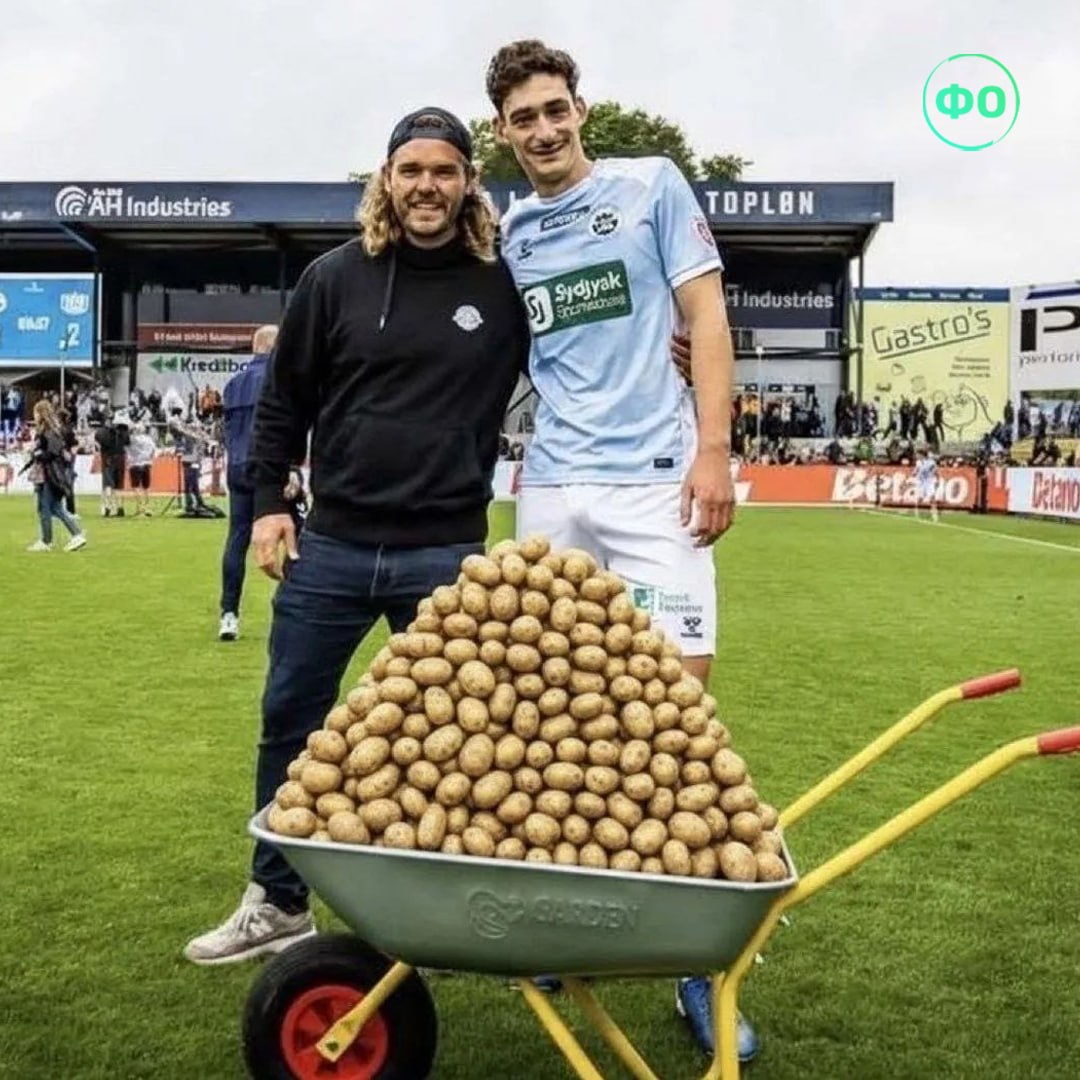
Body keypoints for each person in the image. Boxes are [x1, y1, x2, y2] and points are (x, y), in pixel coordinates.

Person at [182, 106, 529, 965]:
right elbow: (284, 400)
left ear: (468, 184)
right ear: (387, 179)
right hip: (332, 544)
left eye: (444, 171)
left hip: (446, 552)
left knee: (467, 737)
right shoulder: (333, 278)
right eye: (411, 170)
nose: (426, 186)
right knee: (290, 718)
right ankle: (277, 900)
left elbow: (584, 356)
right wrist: (271, 503)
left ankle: (459, 911)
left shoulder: (502, 284)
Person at [484, 39, 749, 1061]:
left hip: (654, 482)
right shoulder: (510, 232)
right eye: (523, 118)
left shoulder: (650, 186)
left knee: (677, 717)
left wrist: (715, 450)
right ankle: (561, 924)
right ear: (504, 133)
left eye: (555, 109)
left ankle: (698, 964)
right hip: (551, 486)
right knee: (543, 710)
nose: (543, 129)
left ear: (580, 110)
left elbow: (706, 314)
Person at [217, 324, 279, 641]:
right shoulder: (278, 379)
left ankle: (229, 614)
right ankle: (291, 612)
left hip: (237, 466)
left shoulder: (232, 384)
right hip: (269, 467)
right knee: (294, 535)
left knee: (237, 539)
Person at [24, 399, 87, 552]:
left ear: (41, 413)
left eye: (36, 413)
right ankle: (74, 534)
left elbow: (52, 453)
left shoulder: (49, 432)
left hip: (50, 474)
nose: (34, 416)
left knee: (45, 507)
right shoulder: (51, 431)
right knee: (54, 507)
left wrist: (36, 453)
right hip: (50, 473)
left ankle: (48, 541)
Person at [126, 422, 157, 517]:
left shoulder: (132, 439)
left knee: (136, 487)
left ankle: (140, 509)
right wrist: (150, 459)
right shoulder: (149, 439)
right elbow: (153, 451)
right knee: (146, 488)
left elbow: (126, 449)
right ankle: (147, 508)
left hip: (135, 464)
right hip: (146, 464)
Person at [913, 447, 939, 521]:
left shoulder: (931, 462)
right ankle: (917, 512)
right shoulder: (918, 462)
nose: (916, 456)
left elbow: (935, 471)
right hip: (921, 482)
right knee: (920, 498)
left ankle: (934, 514)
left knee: (932, 498)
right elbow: (916, 470)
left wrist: (937, 480)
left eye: (918, 454)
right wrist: (914, 473)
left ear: (922, 455)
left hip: (929, 481)